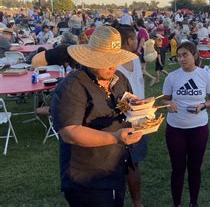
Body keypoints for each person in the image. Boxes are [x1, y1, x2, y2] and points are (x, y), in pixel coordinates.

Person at [50, 26, 143, 207]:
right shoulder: (72, 86)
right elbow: (70, 131)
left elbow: (126, 105)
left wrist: (137, 107)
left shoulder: (119, 79)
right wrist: (114, 137)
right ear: (91, 59)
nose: (112, 65)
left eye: (115, 60)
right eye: (106, 60)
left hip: (115, 169)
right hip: (88, 179)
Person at [161, 42, 210, 207]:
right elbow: (165, 98)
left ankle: (194, 203)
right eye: (179, 56)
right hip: (175, 129)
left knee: (195, 168)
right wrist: (168, 104)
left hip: (198, 128)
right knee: (177, 168)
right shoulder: (172, 77)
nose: (181, 59)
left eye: (185, 55)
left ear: (195, 55)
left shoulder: (205, 76)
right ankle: (176, 203)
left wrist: (203, 105)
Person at [115, 25, 147, 207]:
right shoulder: (115, 64)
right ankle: (134, 202)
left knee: (131, 164)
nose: (137, 41)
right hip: (125, 121)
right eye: (135, 38)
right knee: (125, 165)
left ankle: (136, 202)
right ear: (129, 41)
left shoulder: (134, 59)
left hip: (138, 118)